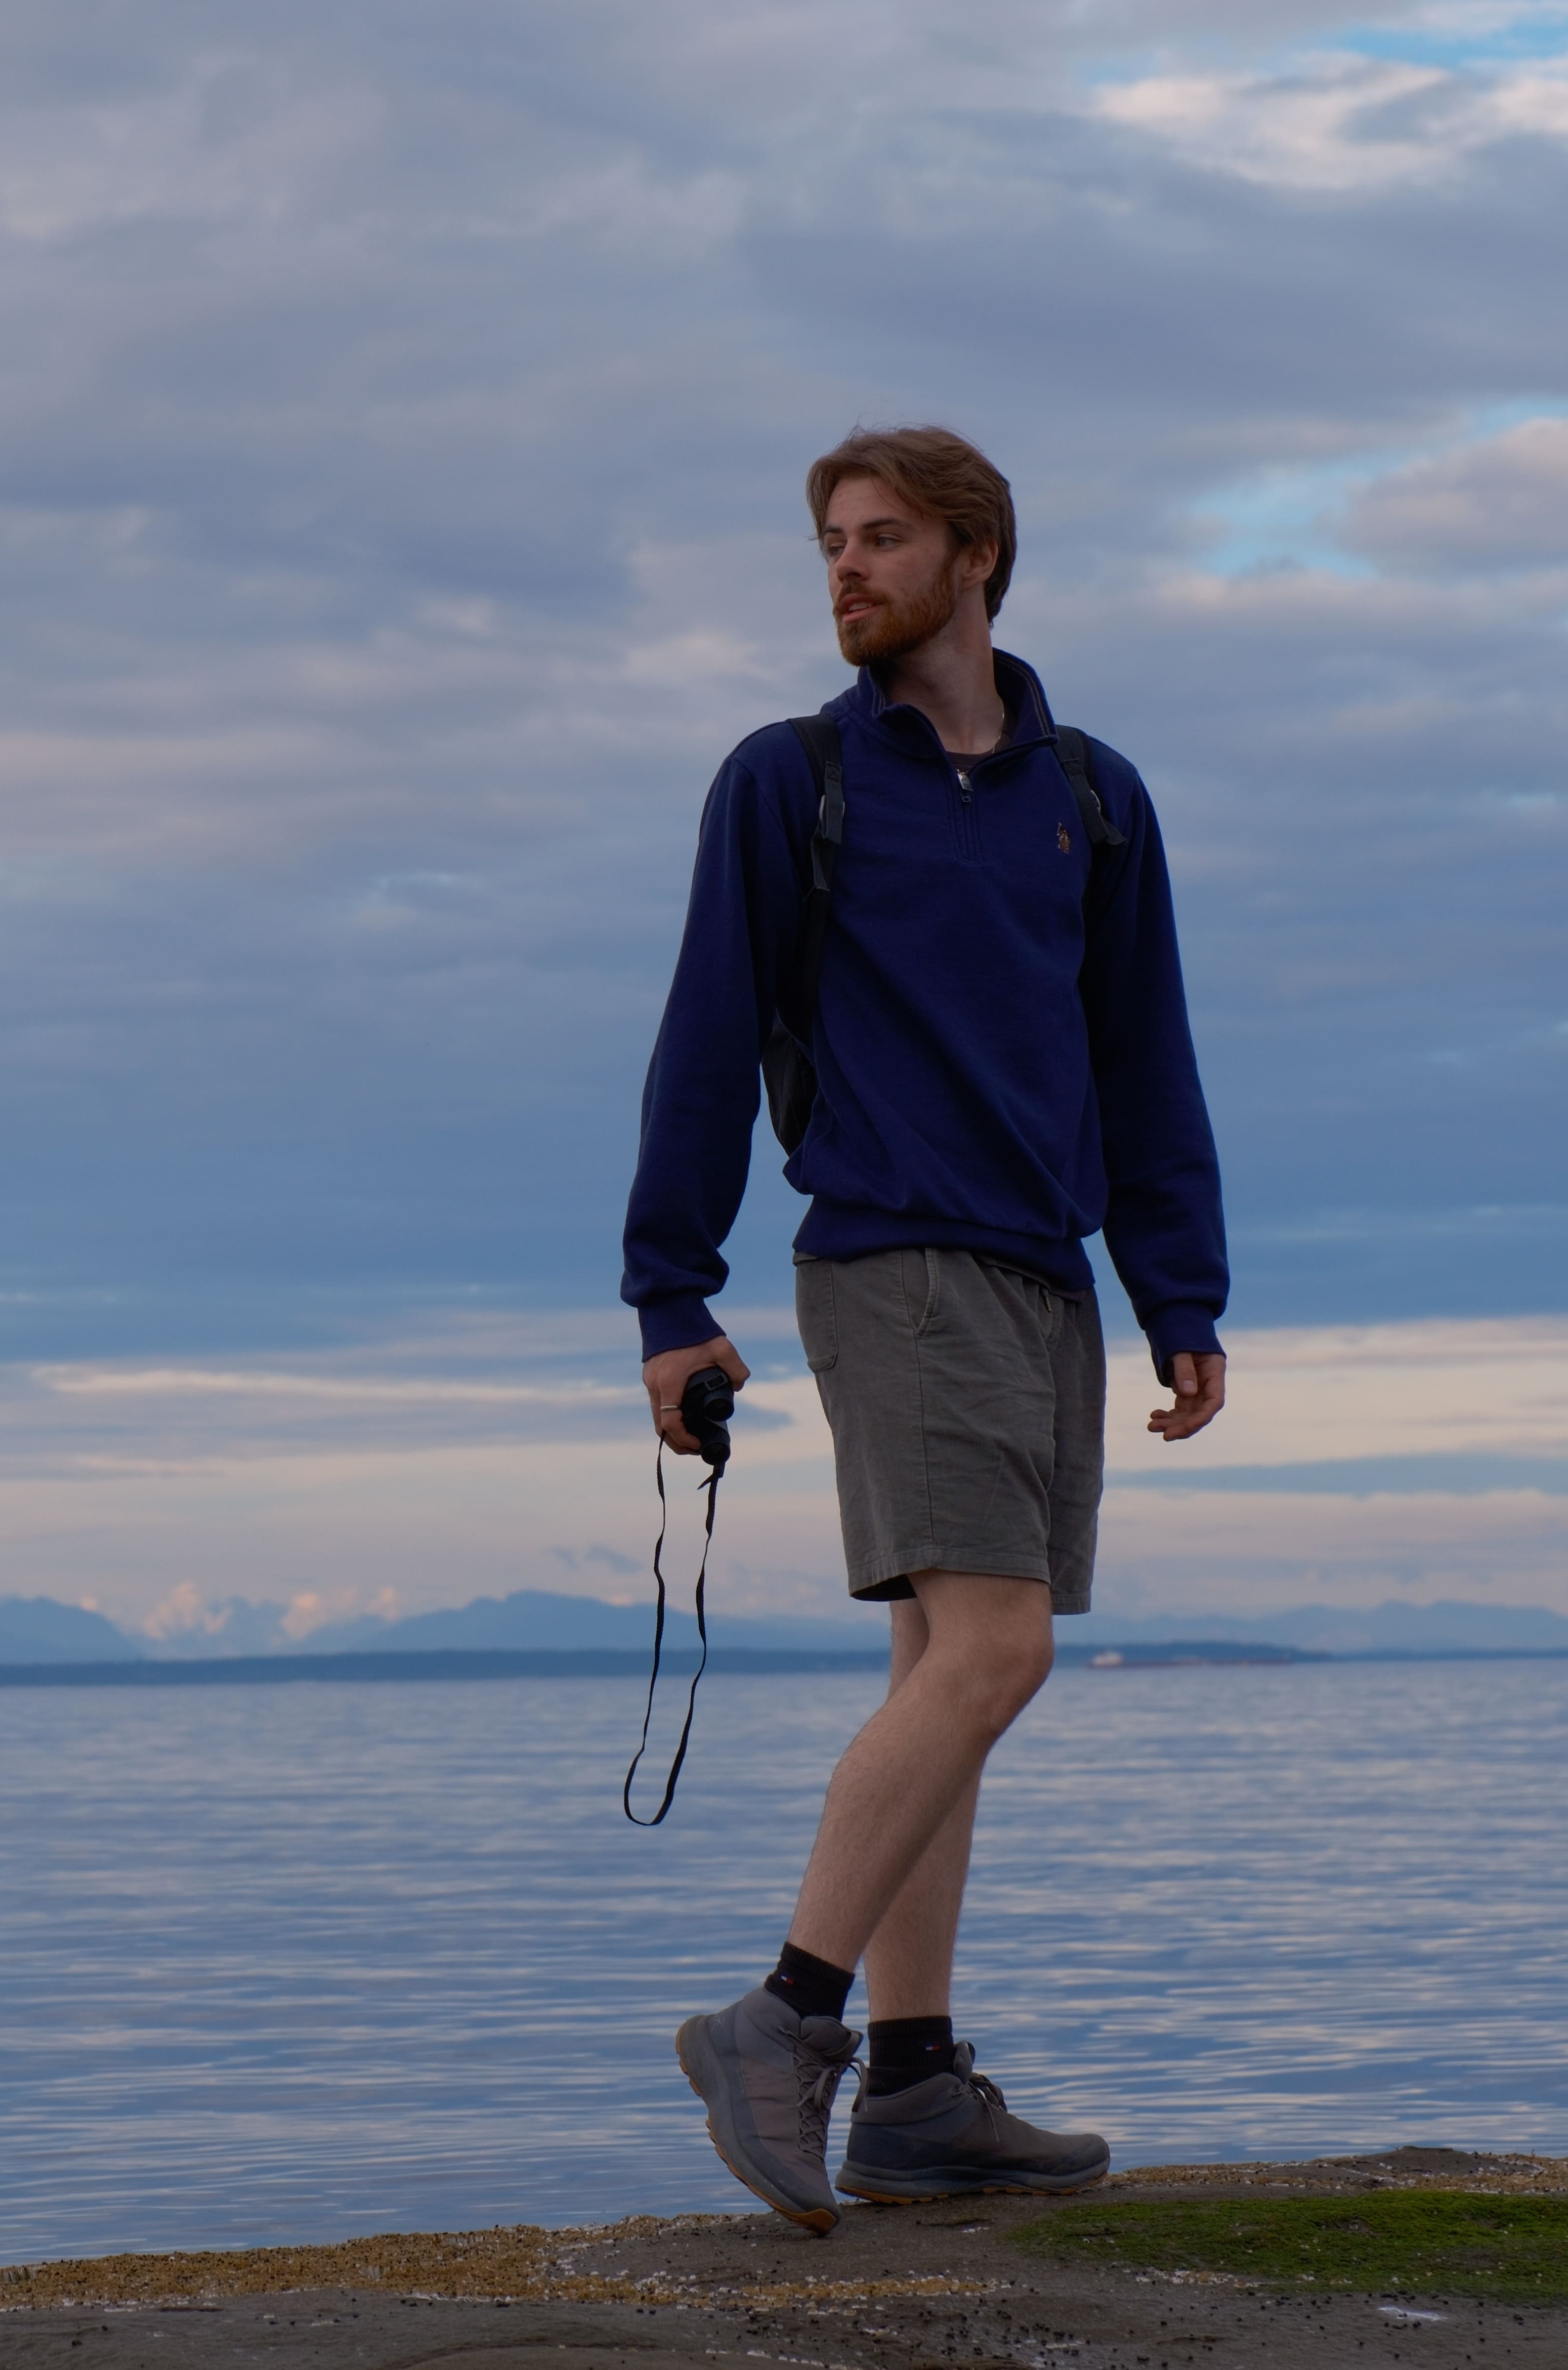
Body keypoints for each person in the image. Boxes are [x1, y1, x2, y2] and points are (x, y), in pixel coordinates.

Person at [622, 424, 1228, 2229]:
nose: (844, 568)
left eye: (881, 538)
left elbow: (1144, 1051)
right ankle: (781, 2021)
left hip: (1046, 1275)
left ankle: (914, 2095)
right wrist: (672, 1290)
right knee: (997, 1652)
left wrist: (1179, 1288)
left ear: (978, 558)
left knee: (939, 1683)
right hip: (895, 1259)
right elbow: (705, 1034)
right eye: (829, 541)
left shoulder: (1091, 797)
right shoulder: (792, 778)